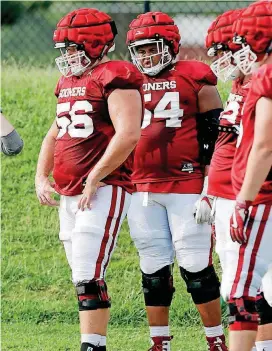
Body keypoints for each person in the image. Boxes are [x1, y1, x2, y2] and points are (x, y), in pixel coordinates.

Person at [35, 8, 143, 351]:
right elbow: (54, 134)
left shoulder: (114, 75)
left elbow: (128, 134)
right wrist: (41, 176)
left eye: (72, 48)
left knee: (86, 272)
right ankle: (93, 343)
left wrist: (96, 176)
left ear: (95, 44)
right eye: (63, 50)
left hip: (103, 189)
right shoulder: (69, 82)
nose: (67, 57)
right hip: (70, 192)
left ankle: (92, 346)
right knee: (80, 275)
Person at [126, 11, 227, 351]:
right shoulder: (125, 81)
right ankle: (160, 342)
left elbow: (217, 137)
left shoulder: (195, 76)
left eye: (152, 48)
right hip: (139, 188)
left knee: (196, 266)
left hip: (186, 185)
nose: (145, 57)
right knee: (152, 268)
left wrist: (210, 190)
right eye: (139, 50)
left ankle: (215, 340)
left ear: (170, 46)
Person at [206, 6, 272, 351]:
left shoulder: (264, 77)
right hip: (241, 190)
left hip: (257, 193)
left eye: (240, 43)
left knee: (242, 287)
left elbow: (262, 146)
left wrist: (244, 198)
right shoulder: (245, 81)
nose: (234, 52)